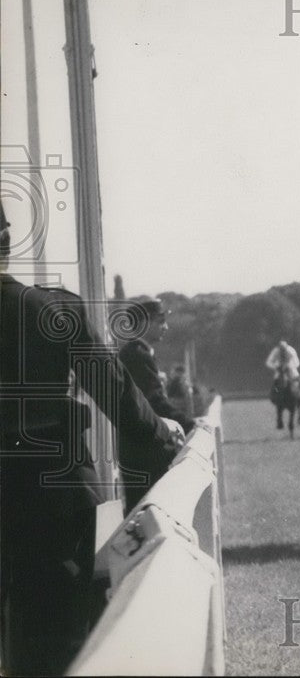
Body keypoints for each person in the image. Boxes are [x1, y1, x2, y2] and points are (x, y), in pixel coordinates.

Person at [0, 205, 185, 675]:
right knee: (51, 647)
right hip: (54, 499)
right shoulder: (51, 308)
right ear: (6, 240)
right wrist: (162, 429)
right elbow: (114, 388)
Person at [118, 296, 197, 512]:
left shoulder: (137, 353)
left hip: (139, 449)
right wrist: (191, 425)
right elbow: (155, 401)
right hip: (143, 451)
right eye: (160, 321)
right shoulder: (137, 355)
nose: (166, 326)